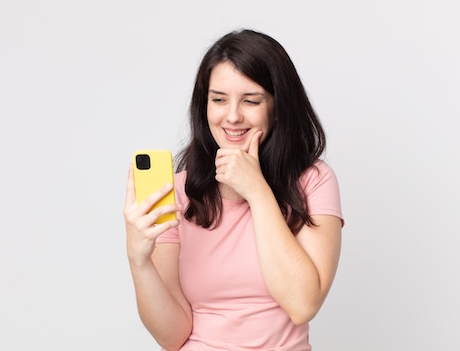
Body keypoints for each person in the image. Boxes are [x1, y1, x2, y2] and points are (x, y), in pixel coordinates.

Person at [123, 29, 344, 351]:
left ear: (278, 106)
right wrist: (137, 259)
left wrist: (257, 192)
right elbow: (172, 337)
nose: (232, 116)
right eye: (218, 99)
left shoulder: (313, 181)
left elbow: (303, 304)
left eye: (251, 100)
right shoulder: (180, 192)